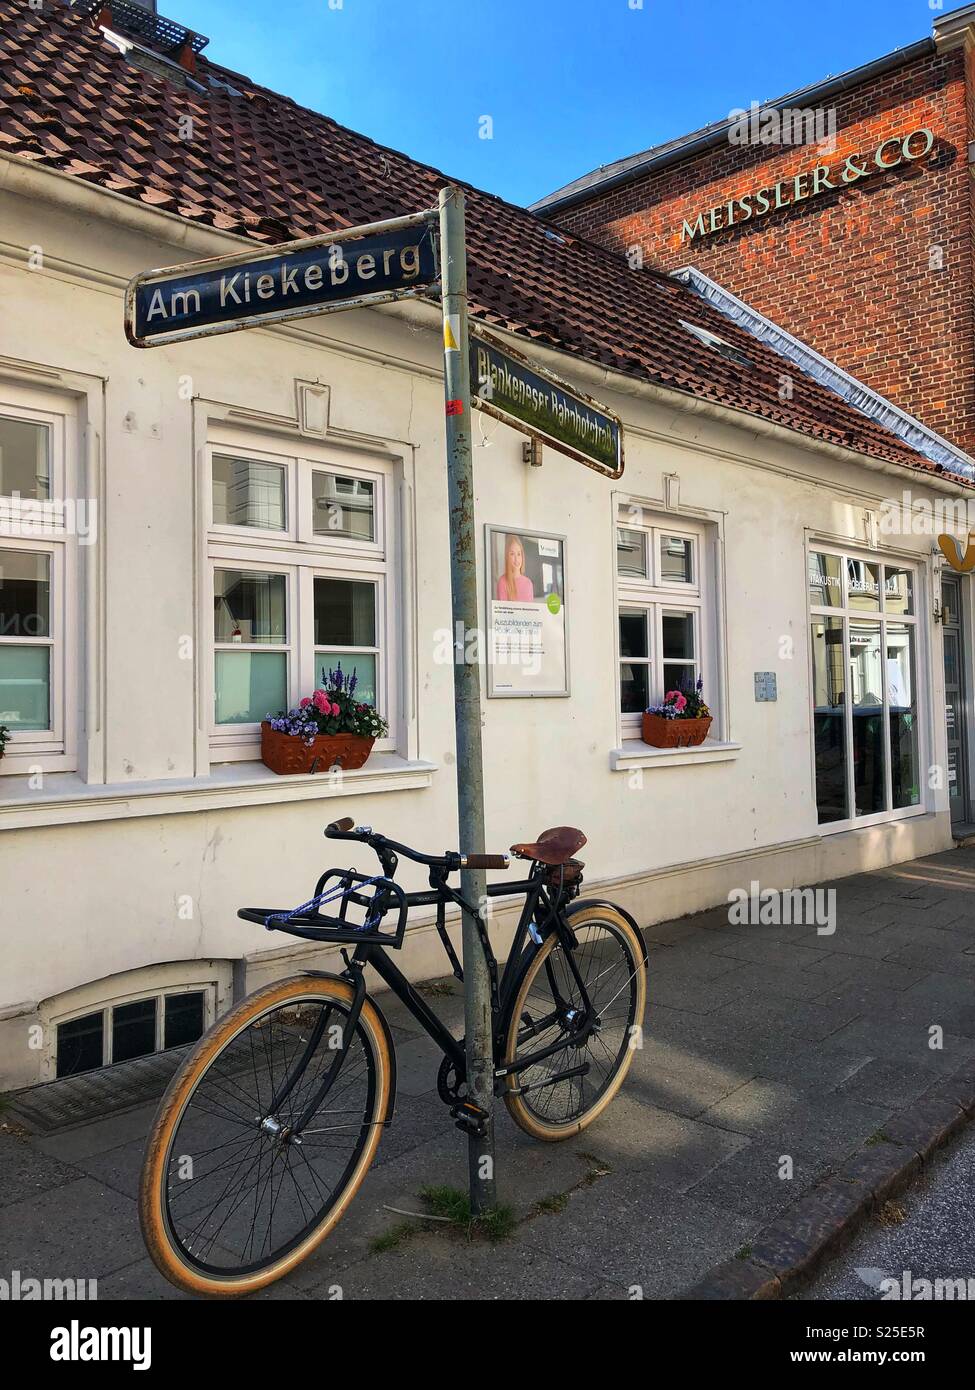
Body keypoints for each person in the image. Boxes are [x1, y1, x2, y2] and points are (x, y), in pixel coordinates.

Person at [496, 534, 535, 602]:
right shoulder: (502, 582)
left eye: (519, 554)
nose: (516, 559)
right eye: (512, 554)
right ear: (507, 557)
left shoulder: (528, 583)